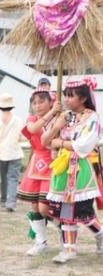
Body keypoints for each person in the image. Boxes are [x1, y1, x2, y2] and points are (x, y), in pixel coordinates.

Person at [41, 78, 103, 263]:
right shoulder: (64, 116)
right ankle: (69, 250)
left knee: (83, 213)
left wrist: (60, 143)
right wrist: (58, 125)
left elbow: (83, 145)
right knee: (65, 211)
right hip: (63, 167)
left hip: (81, 169)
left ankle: (100, 235)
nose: (66, 99)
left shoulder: (91, 117)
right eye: (65, 95)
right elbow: (44, 141)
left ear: (83, 98)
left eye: (71, 96)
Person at [18, 87, 60, 256]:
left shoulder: (59, 118)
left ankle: (65, 230)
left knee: (45, 208)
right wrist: (51, 113)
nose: (37, 105)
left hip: (54, 163)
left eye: (42, 101)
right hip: (36, 163)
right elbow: (34, 129)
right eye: (34, 103)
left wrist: (57, 114)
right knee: (35, 206)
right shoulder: (32, 118)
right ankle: (40, 242)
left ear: (51, 102)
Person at [0, 93, 25, 212]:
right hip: (15, 152)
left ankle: (4, 199)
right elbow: (21, 137)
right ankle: (10, 202)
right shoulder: (18, 120)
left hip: (1, 153)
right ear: (11, 106)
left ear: (0, 107)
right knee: (13, 178)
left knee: (3, 178)